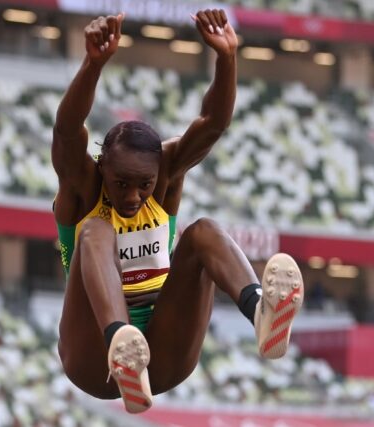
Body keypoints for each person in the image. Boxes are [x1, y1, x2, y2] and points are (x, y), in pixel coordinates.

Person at [52, 9, 304, 414]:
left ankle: (261, 312)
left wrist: (227, 58)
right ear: (102, 169)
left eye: (144, 185)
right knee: (96, 231)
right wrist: (93, 65)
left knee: (203, 230)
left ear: (159, 175)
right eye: (121, 184)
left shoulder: (167, 176)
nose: (134, 196)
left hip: (163, 355)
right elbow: (66, 131)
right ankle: (120, 342)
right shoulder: (83, 188)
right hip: (90, 357)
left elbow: (212, 123)